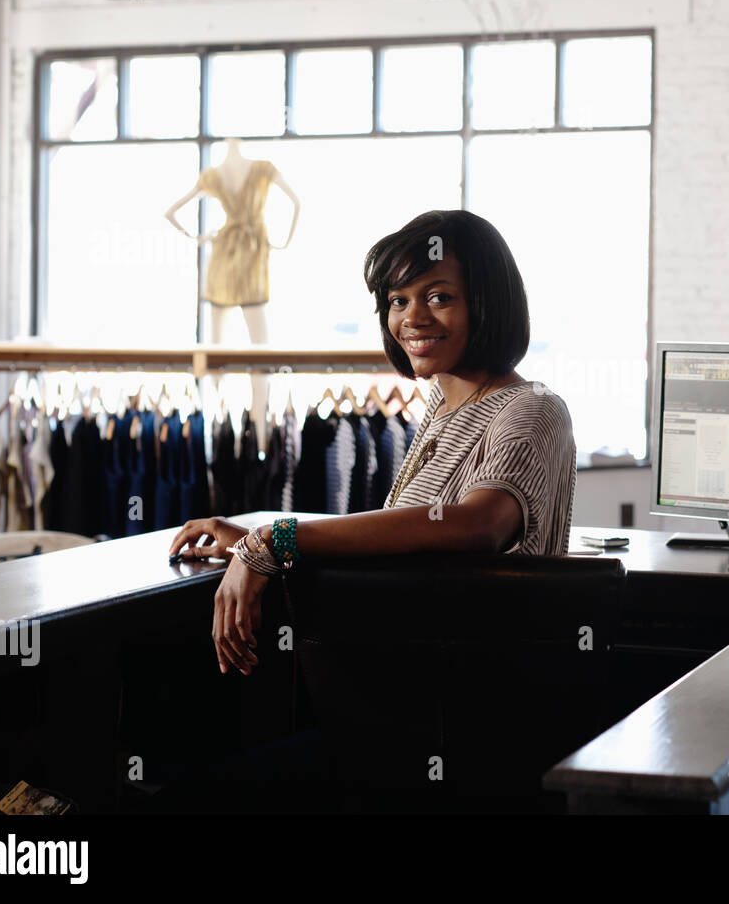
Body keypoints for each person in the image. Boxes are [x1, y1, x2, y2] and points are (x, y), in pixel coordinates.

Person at [168, 210, 577, 676]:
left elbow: (479, 525)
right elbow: (405, 545)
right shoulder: (443, 403)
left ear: (487, 303)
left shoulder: (532, 406)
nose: (412, 318)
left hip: (465, 700)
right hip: (403, 678)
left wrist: (279, 538)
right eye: (398, 301)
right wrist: (251, 542)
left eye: (439, 297)